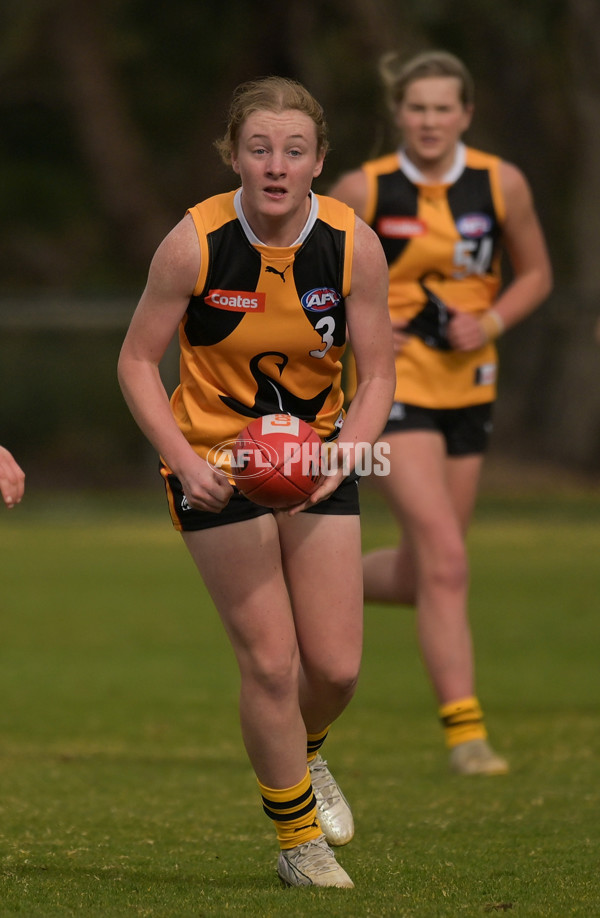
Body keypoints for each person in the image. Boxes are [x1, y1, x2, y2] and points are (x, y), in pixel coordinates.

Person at [117, 76, 395, 887]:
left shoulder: (352, 244)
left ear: (318, 161)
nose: (276, 165)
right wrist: (183, 460)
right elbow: (136, 362)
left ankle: (307, 753)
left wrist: (349, 451)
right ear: (234, 155)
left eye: (294, 151)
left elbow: (377, 374)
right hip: (217, 466)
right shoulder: (195, 242)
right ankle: (297, 841)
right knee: (271, 663)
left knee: (336, 669)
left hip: (315, 463)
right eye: (260, 149)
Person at [329, 50, 552, 776]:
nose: (428, 120)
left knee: (432, 569)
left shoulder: (500, 183)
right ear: (399, 113)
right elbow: (308, 273)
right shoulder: (363, 188)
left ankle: (312, 579)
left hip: (470, 388)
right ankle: (466, 734)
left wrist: (487, 324)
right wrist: (358, 327)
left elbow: (537, 275)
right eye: (416, 107)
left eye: (441, 108)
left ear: (466, 113)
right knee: (449, 561)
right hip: (389, 392)